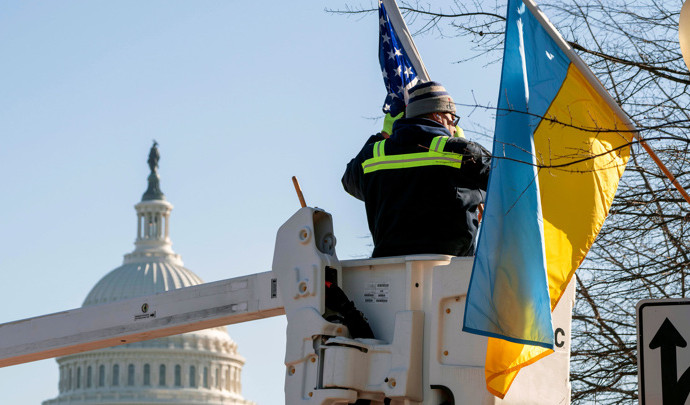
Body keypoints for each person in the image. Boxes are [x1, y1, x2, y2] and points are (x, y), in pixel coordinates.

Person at [342, 81, 490, 258]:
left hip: (389, 269)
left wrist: (382, 136)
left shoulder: (373, 154)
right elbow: (507, 179)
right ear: (438, 116)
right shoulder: (461, 152)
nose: (453, 127)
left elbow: (349, 182)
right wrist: (467, 148)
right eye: (453, 119)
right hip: (451, 271)